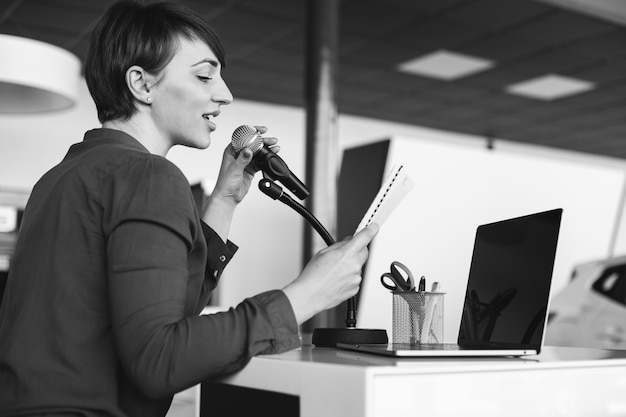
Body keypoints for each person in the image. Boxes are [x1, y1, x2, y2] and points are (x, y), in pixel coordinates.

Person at [0, 1, 378, 416]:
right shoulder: (148, 175)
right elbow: (158, 359)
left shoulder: (59, 178)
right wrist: (302, 297)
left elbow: (159, 313)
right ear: (142, 85)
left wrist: (224, 199)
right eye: (204, 76)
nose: (226, 95)